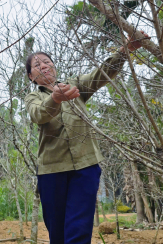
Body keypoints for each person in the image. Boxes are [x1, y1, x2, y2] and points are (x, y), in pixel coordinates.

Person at [24, 31, 148, 244]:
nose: (43, 65)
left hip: (86, 165)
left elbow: (100, 75)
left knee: (79, 228)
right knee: (57, 230)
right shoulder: (33, 96)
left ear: (54, 67)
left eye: (47, 61)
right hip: (52, 170)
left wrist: (125, 50)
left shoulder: (75, 84)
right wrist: (55, 99)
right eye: (37, 65)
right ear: (31, 76)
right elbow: (38, 115)